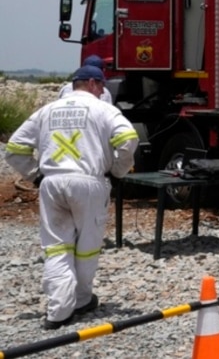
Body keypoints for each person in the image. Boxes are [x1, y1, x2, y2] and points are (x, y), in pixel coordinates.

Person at [3, 64, 138, 330]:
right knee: (86, 246)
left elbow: (14, 148)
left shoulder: (47, 111)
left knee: (56, 247)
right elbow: (128, 137)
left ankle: (58, 312)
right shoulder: (103, 110)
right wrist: (117, 170)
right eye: (101, 86)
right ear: (92, 83)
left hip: (52, 183)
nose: (102, 92)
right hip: (89, 182)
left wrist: (36, 175)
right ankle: (81, 300)